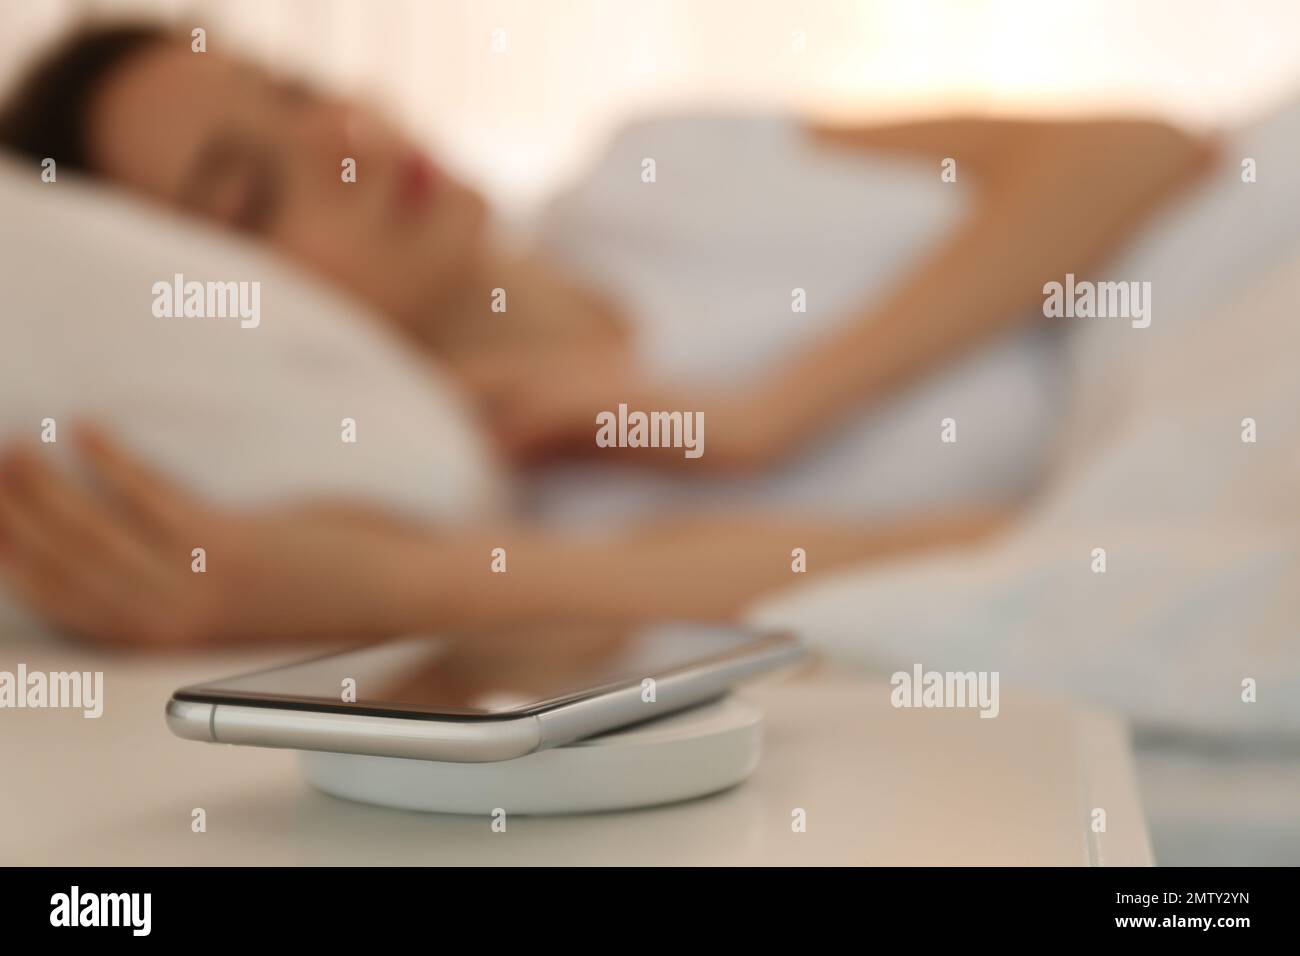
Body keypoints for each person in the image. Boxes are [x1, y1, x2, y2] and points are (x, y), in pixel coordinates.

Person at [0, 22, 1214, 646]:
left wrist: (770, 409)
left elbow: (1141, 151)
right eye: (247, 194)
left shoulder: (656, 166)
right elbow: (1038, 548)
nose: (347, 142)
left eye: (300, 92)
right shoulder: (492, 503)